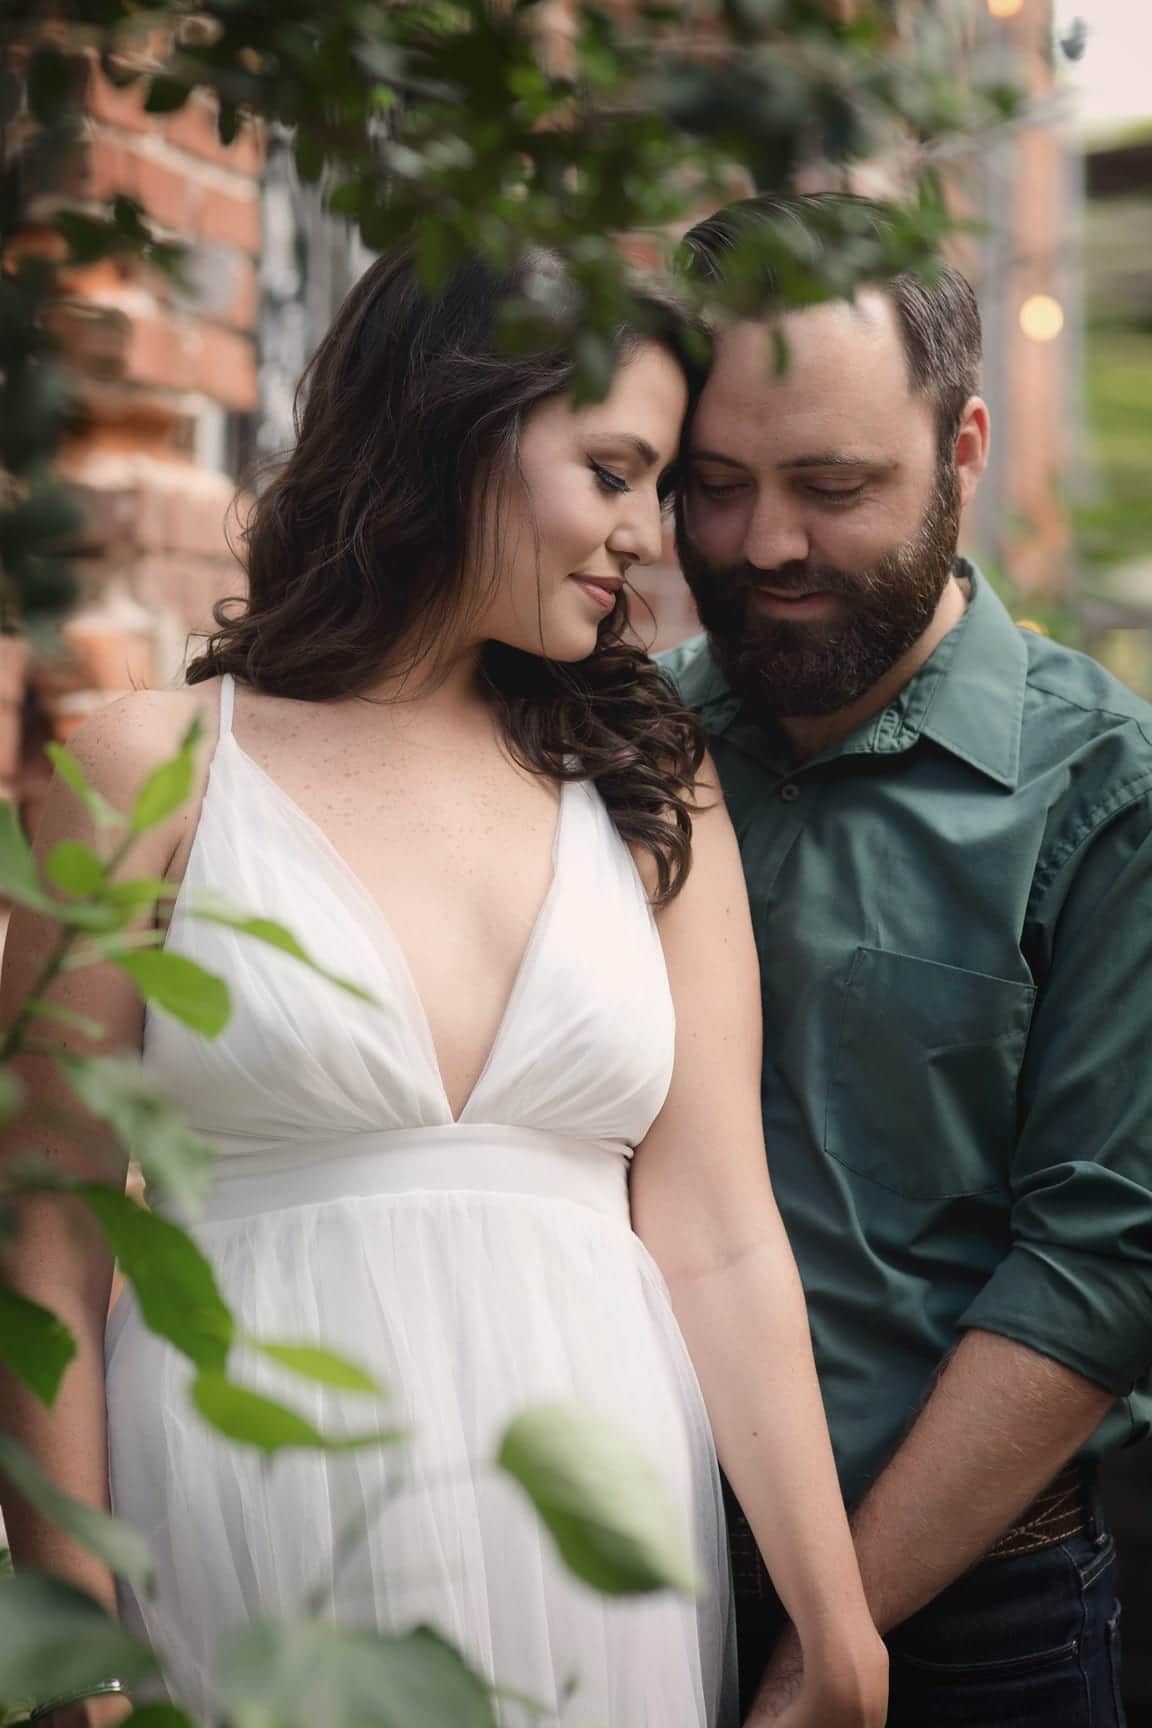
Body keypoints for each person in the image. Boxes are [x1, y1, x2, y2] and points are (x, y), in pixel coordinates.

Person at [0, 250, 887, 1728]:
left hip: (598, 1544)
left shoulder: (652, 787)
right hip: (247, 1524)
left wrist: (835, 1616)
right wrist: (70, 1658)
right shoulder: (147, 769)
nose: (638, 538)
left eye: (657, 489)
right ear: (460, 423)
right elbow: (42, 1243)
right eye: (610, 470)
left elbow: (722, 1233)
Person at [662, 191, 1152, 1728]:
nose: (766, 546)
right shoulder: (622, 741)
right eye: (715, 485)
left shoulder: (1105, 793)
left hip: (971, 1623)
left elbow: (1100, 1268)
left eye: (832, 484)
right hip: (633, 1584)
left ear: (965, 450)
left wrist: (831, 1631)